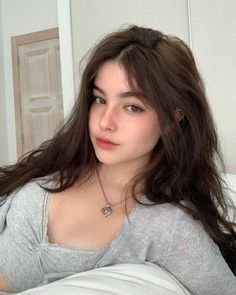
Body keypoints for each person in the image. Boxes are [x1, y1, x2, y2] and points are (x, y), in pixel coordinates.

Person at [0, 25, 235, 294]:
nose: (105, 122)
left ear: (173, 118)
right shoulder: (61, 162)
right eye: (100, 99)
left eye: (132, 107)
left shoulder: (167, 226)